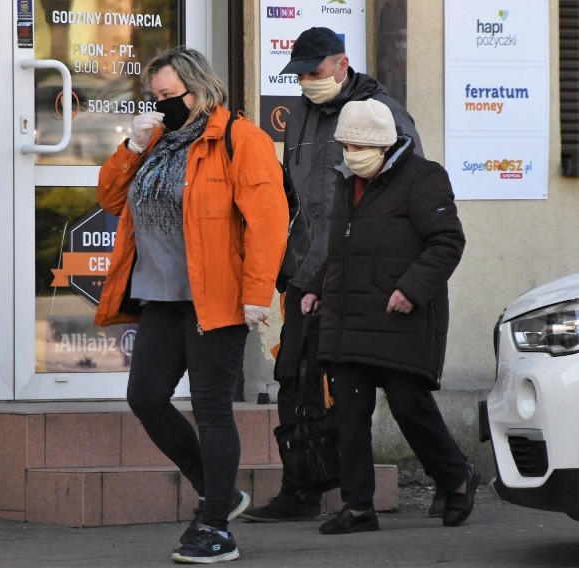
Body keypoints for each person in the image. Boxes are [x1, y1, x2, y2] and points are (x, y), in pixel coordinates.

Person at [94, 46, 289, 563]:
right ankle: (217, 490)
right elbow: (111, 200)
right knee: (146, 397)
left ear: (199, 91)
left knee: (211, 409)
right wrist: (132, 147)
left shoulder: (240, 140)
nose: (159, 107)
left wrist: (255, 294)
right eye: (152, 97)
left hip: (216, 299)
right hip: (160, 296)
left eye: (167, 96)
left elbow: (268, 222)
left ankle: (215, 526)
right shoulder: (156, 140)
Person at [240, 26, 441, 523]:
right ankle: (303, 488)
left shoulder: (383, 115)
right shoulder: (303, 113)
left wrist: (398, 280)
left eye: (315, 71)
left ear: (341, 63)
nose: (307, 81)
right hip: (308, 272)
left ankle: (452, 474)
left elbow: (404, 196)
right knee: (294, 377)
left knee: (399, 394)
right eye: (300, 73)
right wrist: (288, 266)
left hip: (363, 275)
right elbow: (295, 195)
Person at [299, 98, 478, 534]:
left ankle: (456, 478)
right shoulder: (347, 183)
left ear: (384, 145)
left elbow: (447, 242)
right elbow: (343, 249)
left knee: (409, 406)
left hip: (402, 316)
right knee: (350, 416)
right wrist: (316, 288)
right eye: (345, 144)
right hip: (348, 318)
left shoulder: (424, 178)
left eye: (359, 145)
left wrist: (411, 289)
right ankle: (358, 508)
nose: (350, 152)